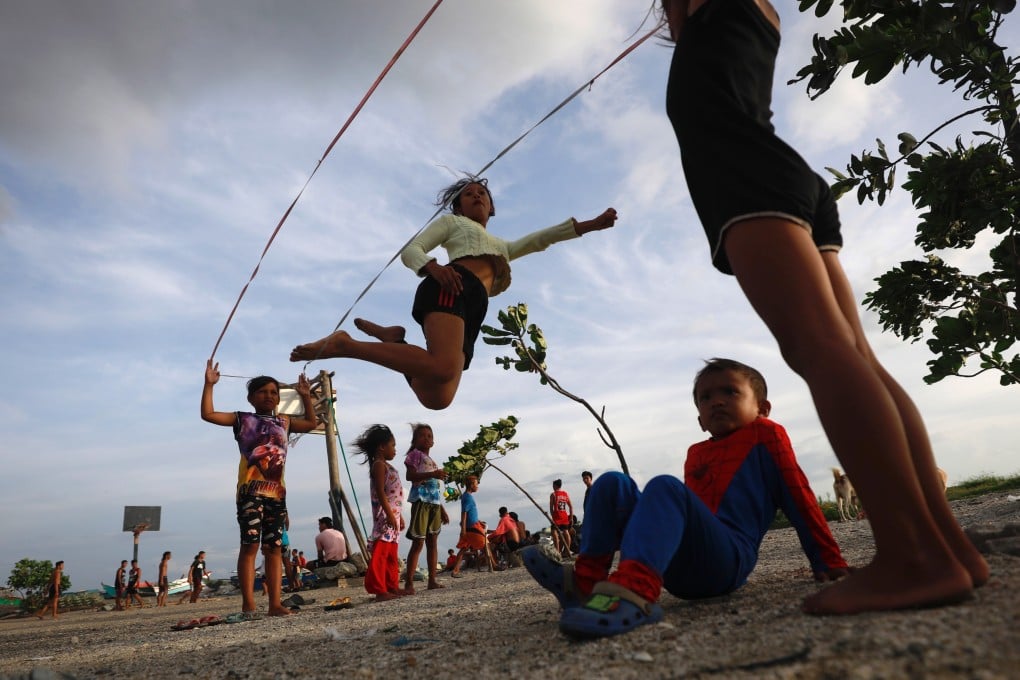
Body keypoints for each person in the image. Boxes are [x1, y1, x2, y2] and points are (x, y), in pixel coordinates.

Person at [656, 0, 986, 614]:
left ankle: (916, 558)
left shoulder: (713, 20)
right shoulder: (758, 16)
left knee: (821, 348)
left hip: (747, 171)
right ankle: (947, 546)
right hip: (786, 172)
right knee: (853, 353)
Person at [523, 358, 850, 638]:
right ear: (699, 419)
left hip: (728, 561)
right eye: (705, 398)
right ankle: (585, 585)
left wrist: (828, 560)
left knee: (664, 486)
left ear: (762, 408)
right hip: (681, 569)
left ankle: (634, 592)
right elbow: (677, 517)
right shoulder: (697, 452)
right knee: (610, 484)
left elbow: (798, 495)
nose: (716, 401)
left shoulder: (765, 435)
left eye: (730, 392)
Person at [290, 177, 619, 410]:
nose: (477, 196)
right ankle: (345, 344)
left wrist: (589, 225)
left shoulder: (502, 246)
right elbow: (411, 250)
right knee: (444, 368)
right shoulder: (453, 224)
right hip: (451, 284)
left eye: (483, 194)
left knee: (437, 399)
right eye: (468, 194)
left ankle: (394, 341)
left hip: (476, 305)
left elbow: (538, 240)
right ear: (457, 205)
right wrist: (433, 268)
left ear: (491, 209)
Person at [201, 360, 319, 618]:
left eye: (274, 392)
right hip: (250, 493)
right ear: (251, 398)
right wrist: (209, 385)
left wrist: (306, 396)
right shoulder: (243, 419)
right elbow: (208, 415)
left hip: (277, 494)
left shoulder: (285, 423)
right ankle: (248, 605)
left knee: (275, 548)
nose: (269, 396)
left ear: (279, 398)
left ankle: (276, 604)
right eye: (263, 392)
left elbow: (311, 423)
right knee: (250, 545)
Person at [355, 424, 405, 602]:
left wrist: (399, 516)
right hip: (385, 517)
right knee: (381, 553)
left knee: (392, 553)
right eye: (393, 445)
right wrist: (390, 515)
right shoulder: (379, 465)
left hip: (393, 515)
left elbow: (395, 496)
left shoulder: (386, 465)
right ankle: (379, 589)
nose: (395, 449)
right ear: (381, 447)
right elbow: (381, 492)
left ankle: (392, 585)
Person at [402, 423, 450, 592]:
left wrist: (442, 509)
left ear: (433, 442)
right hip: (421, 501)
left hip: (434, 504)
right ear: (414, 441)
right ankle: (408, 583)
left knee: (432, 542)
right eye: (422, 435)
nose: (426, 438)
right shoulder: (414, 455)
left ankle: (432, 580)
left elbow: (435, 488)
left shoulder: (432, 462)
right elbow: (410, 476)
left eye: (429, 436)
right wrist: (432, 474)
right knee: (418, 542)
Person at [449, 475, 495, 576]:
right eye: (476, 484)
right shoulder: (468, 497)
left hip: (471, 525)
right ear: (471, 485)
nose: (477, 486)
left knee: (463, 549)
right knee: (486, 544)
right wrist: (463, 530)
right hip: (472, 527)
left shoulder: (466, 496)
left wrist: (479, 521)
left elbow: (470, 513)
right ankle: (494, 565)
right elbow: (464, 513)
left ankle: (455, 571)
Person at [549, 479, 573, 557]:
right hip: (564, 516)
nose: (552, 487)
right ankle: (567, 551)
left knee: (554, 533)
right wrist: (571, 517)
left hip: (557, 517)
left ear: (555, 486)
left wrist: (552, 518)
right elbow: (571, 507)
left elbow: (551, 508)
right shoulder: (565, 494)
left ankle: (557, 552)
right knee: (566, 533)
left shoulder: (553, 494)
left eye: (553, 485)